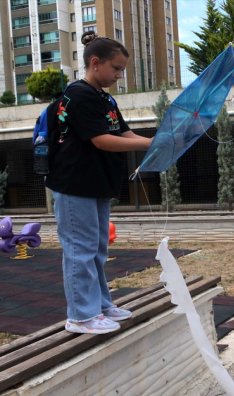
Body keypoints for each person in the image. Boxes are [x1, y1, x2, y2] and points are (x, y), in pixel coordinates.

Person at [45, 31, 153, 334]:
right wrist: (148, 145)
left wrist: (155, 141)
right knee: (80, 249)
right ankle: (80, 315)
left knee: (97, 248)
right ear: (95, 63)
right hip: (73, 184)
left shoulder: (104, 98)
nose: (119, 75)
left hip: (95, 183)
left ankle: (101, 306)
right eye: (116, 69)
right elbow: (102, 141)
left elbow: (123, 133)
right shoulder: (78, 95)